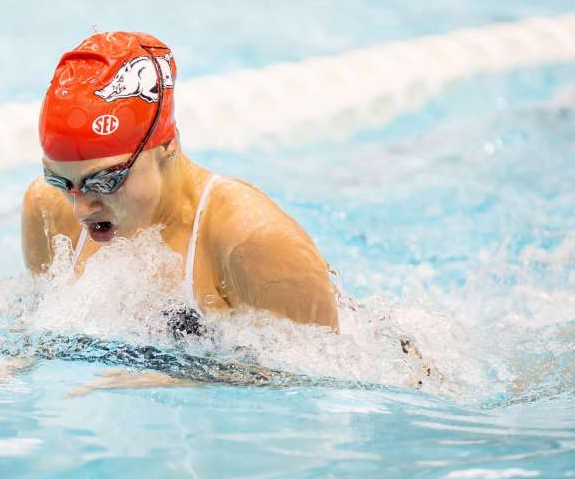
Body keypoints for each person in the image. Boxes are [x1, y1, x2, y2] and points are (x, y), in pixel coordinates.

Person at [21, 31, 339, 332]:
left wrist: (170, 377)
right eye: (61, 180)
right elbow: (38, 324)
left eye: (105, 181)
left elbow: (310, 378)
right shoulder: (47, 209)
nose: (80, 207)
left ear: (167, 145)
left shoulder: (252, 242)